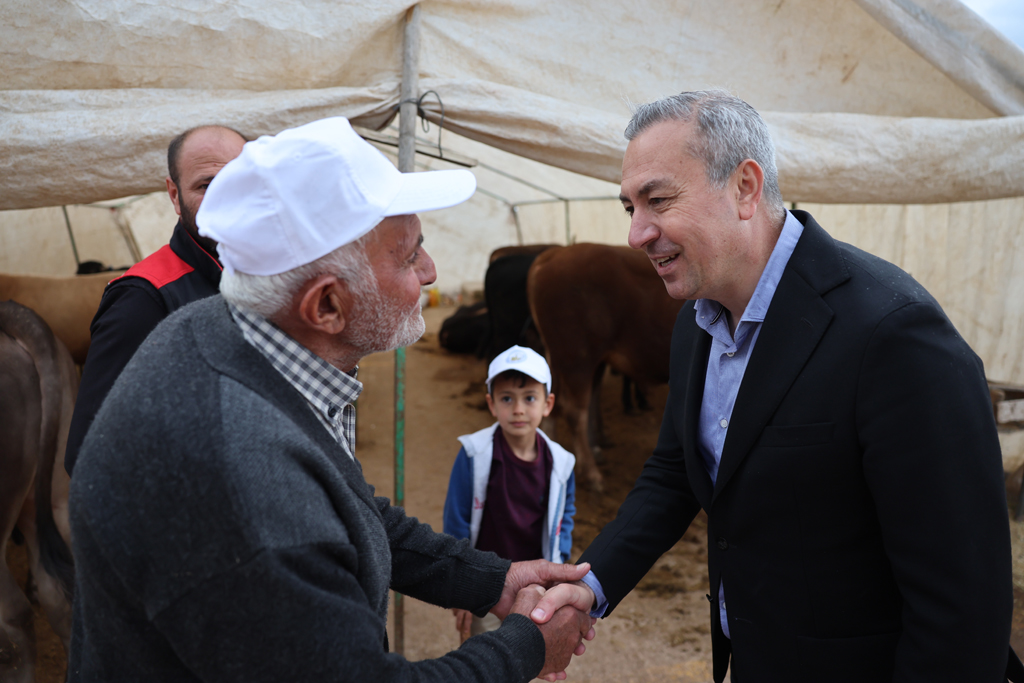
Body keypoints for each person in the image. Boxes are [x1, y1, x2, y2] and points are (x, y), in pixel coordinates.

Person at [68, 117, 595, 683]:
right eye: (409, 254)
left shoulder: (218, 330)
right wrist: (527, 646)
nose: (430, 270)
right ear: (326, 308)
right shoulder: (244, 486)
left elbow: (342, 506)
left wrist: (489, 579)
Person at [530, 90, 1019, 683]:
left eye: (657, 200)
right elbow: (673, 473)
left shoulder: (894, 335)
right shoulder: (697, 320)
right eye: (629, 207)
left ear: (745, 188)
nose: (637, 233)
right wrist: (593, 583)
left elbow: (963, 605)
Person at [63, 124, 247, 476]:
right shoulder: (144, 298)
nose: (226, 198)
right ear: (174, 195)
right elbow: (90, 453)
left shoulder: (268, 279)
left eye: (238, 180)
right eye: (207, 185)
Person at [444, 345, 576, 641]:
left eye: (529, 398)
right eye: (507, 399)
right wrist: (462, 587)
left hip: (536, 588)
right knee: (483, 655)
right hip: (486, 587)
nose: (518, 409)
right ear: (492, 404)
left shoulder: (561, 463)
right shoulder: (473, 455)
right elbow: (456, 522)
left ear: (548, 403)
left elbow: (564, 514)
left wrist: (559, 559)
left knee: (528, 651)